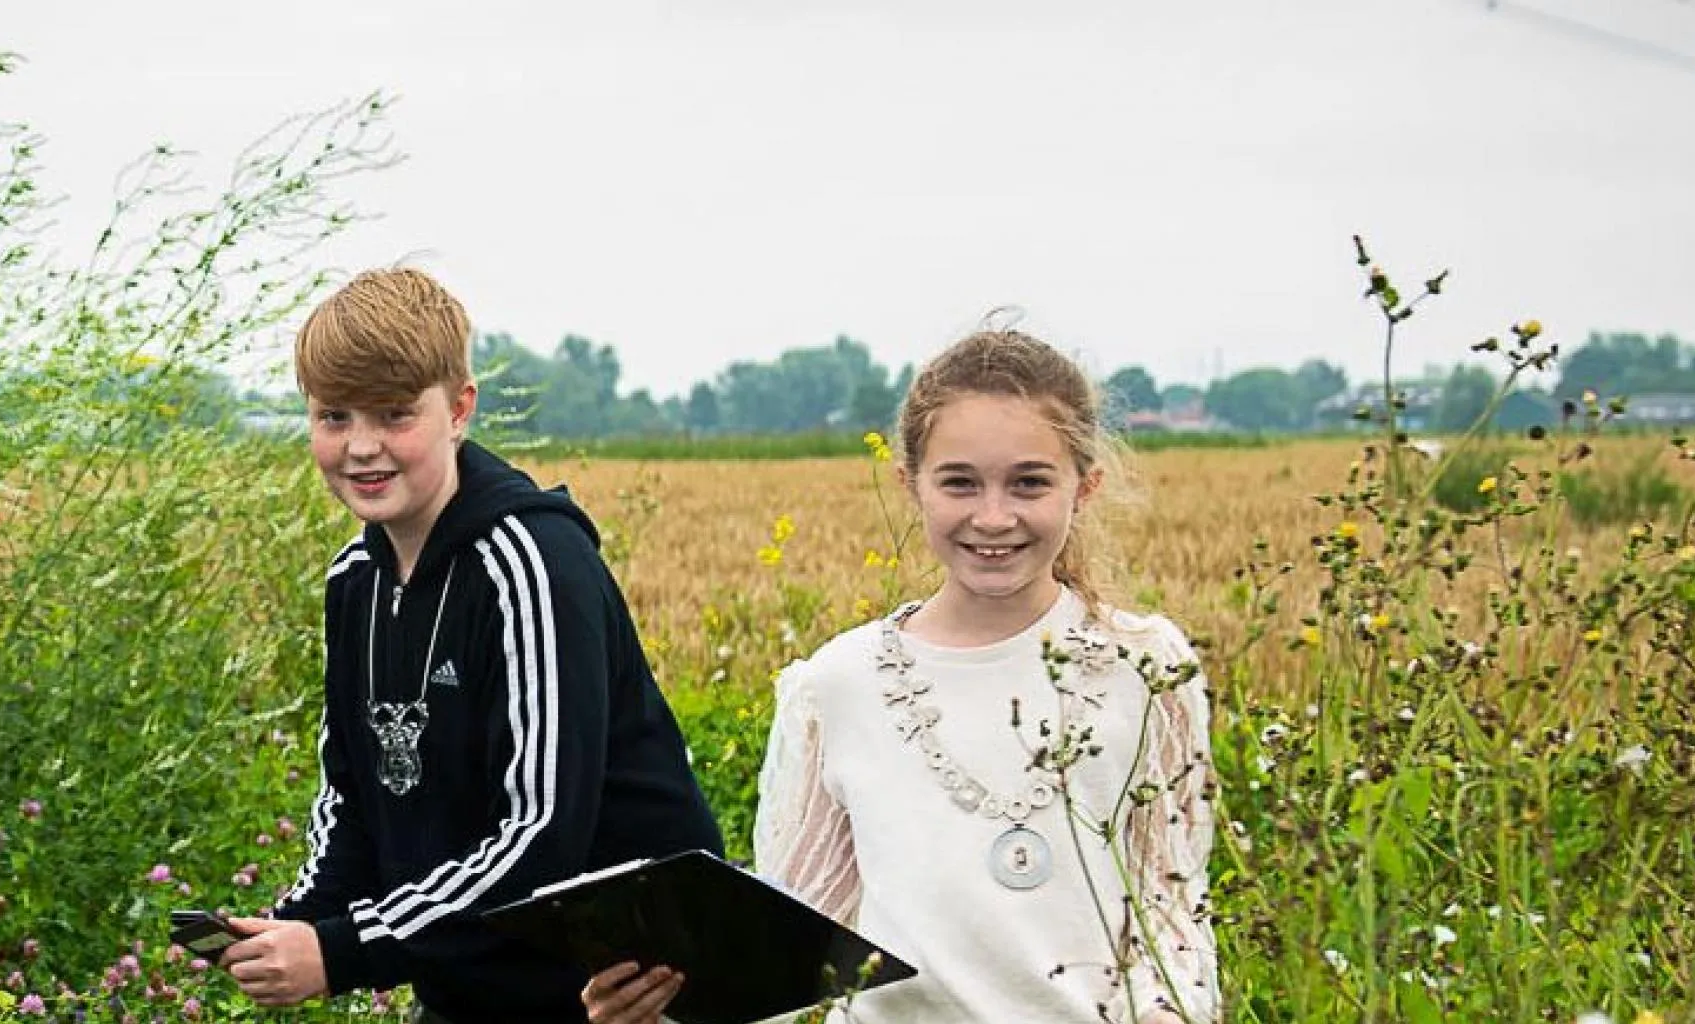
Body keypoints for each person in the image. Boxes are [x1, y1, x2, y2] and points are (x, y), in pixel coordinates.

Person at [583, 326, 1222, 1023]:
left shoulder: (1149, 667)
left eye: (1030, 483)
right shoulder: (839, 684)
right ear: (910, 484)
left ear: (1085, 486)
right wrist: (655, 1012)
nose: (994, 516)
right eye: (959, 483)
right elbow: (785, 949)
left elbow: (1173, 914)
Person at [219, 266, 724, 1022]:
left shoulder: (533, 565)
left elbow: (539, 835)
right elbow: (352, 794)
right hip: (473, 985)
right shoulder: (355, 581)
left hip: (621, 994)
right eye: (333, 417)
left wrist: (343, 949)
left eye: (394, 415)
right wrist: (300, 920)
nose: (362, 447)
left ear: (459, 410)